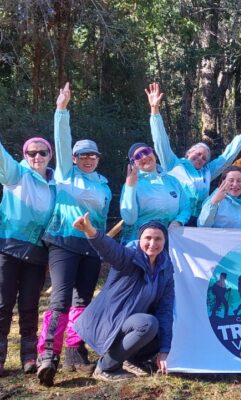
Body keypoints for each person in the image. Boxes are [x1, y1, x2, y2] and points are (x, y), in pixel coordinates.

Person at [38, 83, 112, 386]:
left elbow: (104, 219)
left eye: (92, 155)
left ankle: (75, 350)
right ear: (73, 158)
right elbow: (61, 138)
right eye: (82, 155)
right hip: (64, 243)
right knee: (60, 299)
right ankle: (48, 357)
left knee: (84, 299)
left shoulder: (104, 185)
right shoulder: (67, 175)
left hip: (92, 246)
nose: (88, 159)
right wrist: (62, 109)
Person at [72, 214, 174, 382]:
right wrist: (90, 231)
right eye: (147, 238)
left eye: (158, 239)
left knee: (164, 329)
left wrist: (164, 350)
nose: (152, 243)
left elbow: (166, 309)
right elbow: (109, 248)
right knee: (148, 324)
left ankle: (127, 360)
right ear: (139, 239)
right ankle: (105, 367)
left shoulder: (165, 269)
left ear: (165, 241)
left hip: (130, 326)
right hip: (108, 322)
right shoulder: (128, 257)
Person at [146, 83, 241, 225]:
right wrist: (155, 111)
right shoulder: (173, 164)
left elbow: (225, 158)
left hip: (199, 219)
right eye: (197, 154)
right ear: (188, 153)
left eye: (204, 158)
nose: (200, 159)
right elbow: (161, 142)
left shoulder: (207, 172)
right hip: (176, 218)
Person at [0, 135, 55, 377]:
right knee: (2, 304)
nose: (37, 157)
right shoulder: (15, 175)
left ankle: (29, 358)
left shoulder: (56, 183)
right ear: (24, 155)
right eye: (31, 153)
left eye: (42, 152)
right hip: (8, 249)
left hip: (37, 254)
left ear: (50, 155)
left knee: (30, 306)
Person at [119, 141, 191, 243]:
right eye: (138, 156)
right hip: (142, 243)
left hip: (171, 241)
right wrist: (130, 187)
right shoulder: (131, 184)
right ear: (133, 163)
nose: (144, 157)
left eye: (146, 151)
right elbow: (129, 219)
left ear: (153, 154)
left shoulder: (172, 181)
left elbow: (186, 208)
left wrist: (178, 221)